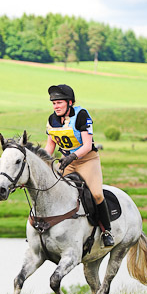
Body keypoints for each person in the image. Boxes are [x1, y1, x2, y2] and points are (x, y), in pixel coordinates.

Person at [44, 84, 114, 247]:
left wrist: (73, 156)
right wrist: (41, 161)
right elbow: (50, 147)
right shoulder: (51, 120)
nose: (56, 106)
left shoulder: (81, 115)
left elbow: (87, 145)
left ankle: (106, 231)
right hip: (66, 161)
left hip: (87, 160)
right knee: (54, 193)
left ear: (69, 102)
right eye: (54, 103)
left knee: (96, 194)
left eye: (59, 103)